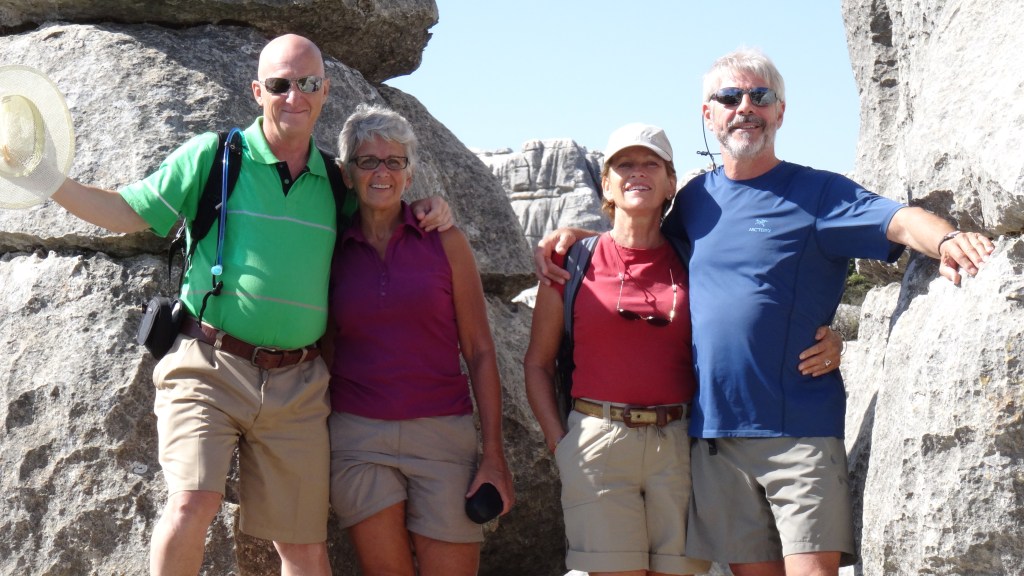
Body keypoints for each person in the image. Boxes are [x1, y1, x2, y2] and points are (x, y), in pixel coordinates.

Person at [536, 48, 994, 576]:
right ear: (708, 115)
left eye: (761, 96)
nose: (745, 107)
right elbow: (639, 240)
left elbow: (898, 221)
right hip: (714, 440)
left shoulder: (818, 192)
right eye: (729, 97)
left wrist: (949, 239)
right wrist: (576, 237)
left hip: (797, 428)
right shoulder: (694, 200)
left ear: (780, 112)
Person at [50, 35, 451, 576]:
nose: (295, 96)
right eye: (281, 85)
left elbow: (387, 207)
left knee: (304, 546)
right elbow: (126, 212)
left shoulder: (338, 182)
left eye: (307, 83)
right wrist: (49, 181)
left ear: (325, 91)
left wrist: (431, 205)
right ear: (258, 90)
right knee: (192, 503)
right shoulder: (214, 159)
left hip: (299, 383)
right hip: (207, 365)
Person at [324, 103, 514, 576]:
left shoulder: (445, 241)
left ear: (410, 175)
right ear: (348, 175)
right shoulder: (332, 248)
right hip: (357, 438)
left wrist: (494, 456)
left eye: (395, 162)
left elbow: (481, 351)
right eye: (368, 161)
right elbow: (324, 349)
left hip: (443, 437)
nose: (382, 172)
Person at [524, 122, 713, 576]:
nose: (637, 173)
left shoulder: (698, 258)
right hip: (597, 440)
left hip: (679, 443)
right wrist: (560, 444)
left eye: (652, 163)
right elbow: (537, 362)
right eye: (623, 164)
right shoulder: (570, 261)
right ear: (605, 182)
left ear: (671, 182)